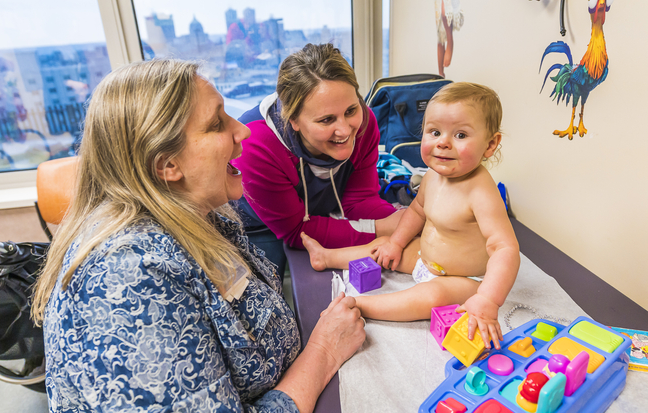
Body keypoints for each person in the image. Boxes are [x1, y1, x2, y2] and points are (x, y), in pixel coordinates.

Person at [30, 59, 365, 413]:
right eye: (217, 123)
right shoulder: (126, 282)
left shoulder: (197, 217)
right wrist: (323, 353)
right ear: (167, 165)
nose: (244, 131)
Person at [301, 82, 520, 349]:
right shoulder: (432, 176)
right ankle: (326, 257)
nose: (443, 143)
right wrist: (396, 243)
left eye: (461, 135)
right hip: (425, 259)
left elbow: (504, 248)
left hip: (464, 279)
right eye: (434, 132)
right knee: (382, 244)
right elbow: (416, 211)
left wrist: (488, 299)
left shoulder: (480, 191)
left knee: (431, 294)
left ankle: (359, 304)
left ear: (490, 144)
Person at [232, 43, 404, 274]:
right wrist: (381, 230)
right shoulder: (255, 144)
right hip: (262, 225)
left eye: (351, 111)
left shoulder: (364, 122)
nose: (344, 130)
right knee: (273, 282)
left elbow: (360, 200)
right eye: (326, 120)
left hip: (323, 208)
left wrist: (405, 223)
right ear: (292, 120)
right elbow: (295, 231)